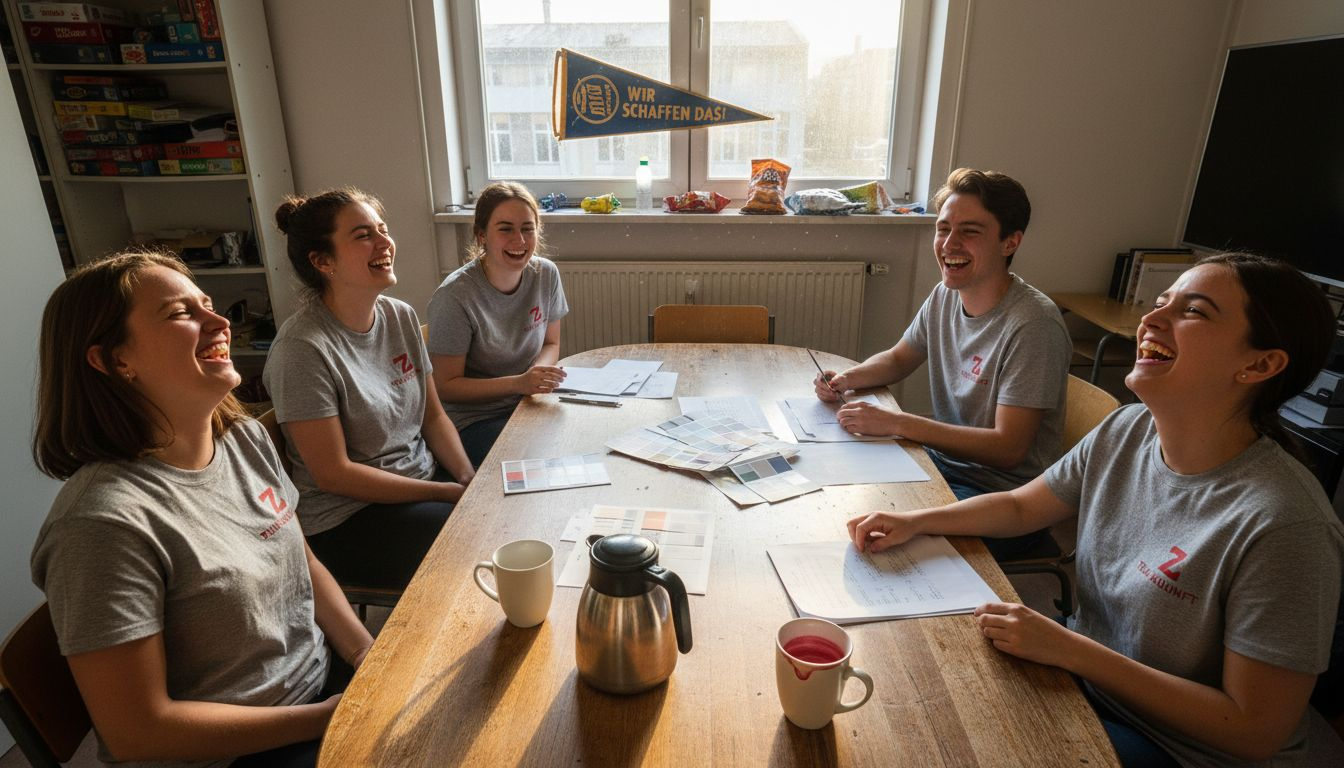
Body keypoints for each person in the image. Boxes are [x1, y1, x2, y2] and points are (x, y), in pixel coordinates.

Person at [848, 253, 1344, 767]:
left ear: (1259, 365)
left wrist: (1068, 648)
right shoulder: (1128, 429)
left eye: (1193, 311)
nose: (1153, 319)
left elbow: (1254, 730)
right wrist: (915, 521)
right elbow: (1020, 507)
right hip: (1090, 681)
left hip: (1178, 749)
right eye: (1161, 302)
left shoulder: (1287, 524)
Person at [30, 252, 374, 768]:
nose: (219, 323)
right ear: (113, 361)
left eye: (208, 305)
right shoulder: (100, 525)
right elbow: (137, 732)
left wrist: (366, 656)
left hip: (316, 691)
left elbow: (303, 562)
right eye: (180, 313)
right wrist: (329, 718)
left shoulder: (244, 438)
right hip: (239, 752)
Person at [815, 167, 1071, 559]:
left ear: (1010, 242)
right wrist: (847, 379)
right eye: (943, 228)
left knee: (878, 546)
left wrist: (898, 423)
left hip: (1000, 500)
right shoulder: (946, 294)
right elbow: (899, 358)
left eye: (970, 231)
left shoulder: (1034, 325)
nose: (950, 244)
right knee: (839, 495)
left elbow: (1008, 449)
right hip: (943, 467)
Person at [263, 188, 475, 591]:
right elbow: (334, 474)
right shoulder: (301, 350)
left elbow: (432, 416)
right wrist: (445, 493)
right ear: (323, 261)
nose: (384, 243)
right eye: (363, 235)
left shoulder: (400, 316)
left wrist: (467, 477)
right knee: (478, 536)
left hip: (419, 483)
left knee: (504, 494)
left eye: (383, 230)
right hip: (348, 519)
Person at [426, 181, 569, 467]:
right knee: (545, 461)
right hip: (473, 421)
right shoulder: (455, 296)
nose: (520, 240)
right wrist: (519, 383)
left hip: (526, 404)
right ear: (482, 236)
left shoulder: (546, 274)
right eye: (505, 229)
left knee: (579, 440)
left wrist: (537, 377)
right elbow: (445, 386)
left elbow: (551, 343)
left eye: (528, 228)